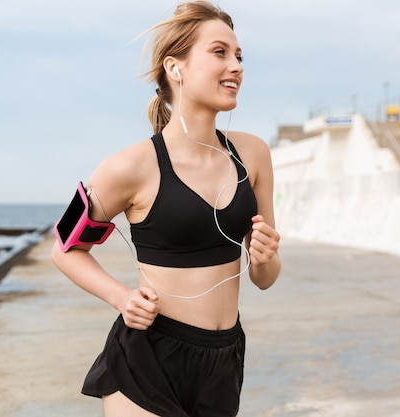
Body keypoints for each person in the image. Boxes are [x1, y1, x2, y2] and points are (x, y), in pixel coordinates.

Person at [51, 1, 281, 416]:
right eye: (220, 52)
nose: (237, 66)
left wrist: (264, 257)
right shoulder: (129, 166)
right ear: (176, 68)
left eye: (239, 56)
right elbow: (65, 248)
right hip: (148, 358)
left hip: (223, 360)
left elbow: (265, 277)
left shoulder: (254, 155)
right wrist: (121, 297)